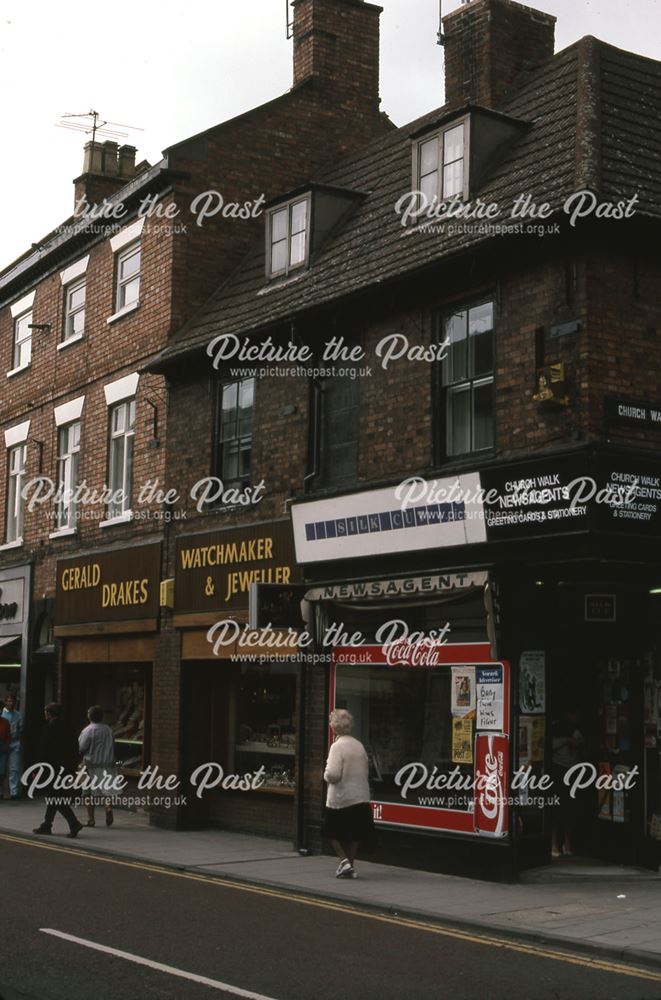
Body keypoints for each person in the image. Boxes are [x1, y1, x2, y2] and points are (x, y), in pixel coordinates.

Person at [322, 708, 376, 879]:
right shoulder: (358, 745)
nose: (330, 726)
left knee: (330, 832)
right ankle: (349, 867)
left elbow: (333, 774)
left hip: (341, 798)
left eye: (331, 723)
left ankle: (344, 861)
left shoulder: (337, 746)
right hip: (360, 797)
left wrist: (324, 774)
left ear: (335, 727)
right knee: (353, 834)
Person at [32, 703, 83, 838]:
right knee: (54, 796)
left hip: (52, 770)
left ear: (49, 713)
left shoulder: (49, 727)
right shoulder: (69, 727)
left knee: (54, 797)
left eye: (46, 712)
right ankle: (47, 825)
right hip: (66, 769)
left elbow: (44, 750)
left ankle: (74, 823)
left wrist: (37, 768)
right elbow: (75, 749)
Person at [551, 709, 584, 857]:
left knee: (570, 808)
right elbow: (550, 744)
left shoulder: (577, 730)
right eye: (573, 713)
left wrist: (575, 742)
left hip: (572, 770)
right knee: (557, 807)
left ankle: (567, 843)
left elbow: (581, 743)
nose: (576, 716)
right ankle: (554, 843)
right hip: (559, 770)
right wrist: (566, 740)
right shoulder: (557, 728)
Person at [79, 705, 116, 827]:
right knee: (106, 791)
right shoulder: (109, 729)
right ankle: (108, 807)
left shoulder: (88, 730)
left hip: (91, 766)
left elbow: (82, 748)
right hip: (107, 765)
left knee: (88, 793)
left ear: (89, 716)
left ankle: (91, 820)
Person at [2, 693, 23, 800]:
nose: (11, 703)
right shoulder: (2, 715)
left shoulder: (18, 715)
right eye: (9, 701)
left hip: (15, 743)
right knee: (2, 768)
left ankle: (14, 792)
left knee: (14, 768)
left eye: (12, 701)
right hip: (3, 743)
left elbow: (21, 730)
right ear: (5, 702)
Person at [0, 712, 10, 799]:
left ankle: (0, 788)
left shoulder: (5, 722)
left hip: (2, 747)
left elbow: (8, 735)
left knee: (2, 772)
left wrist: (7, 745)